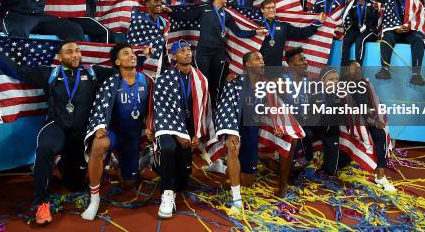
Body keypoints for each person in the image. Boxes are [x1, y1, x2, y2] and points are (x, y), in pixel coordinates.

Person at [0, 34, 113, 224]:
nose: (75, 55)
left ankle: (59, 161)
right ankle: (41, 202)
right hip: (56, 127)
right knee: (45, 149)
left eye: (77, 51)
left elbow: (120, 71)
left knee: (74, 185)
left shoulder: (93, 73)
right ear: (60, 57)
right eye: (69, 52)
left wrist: (142, 57)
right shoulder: (50, 74)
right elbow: (17, 71)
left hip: (80, 134)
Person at [216, 51, 301, 214]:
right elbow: (226, 108)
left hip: (254, 130)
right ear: (247, 64)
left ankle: (281, 182)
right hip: (235, 127)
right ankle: (236, 197)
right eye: (257, 59)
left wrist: (278, 125)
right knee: (233, 147)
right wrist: (232, 132)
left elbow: (274, 106)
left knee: (248, 181)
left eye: (262, 58)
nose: (262, 61)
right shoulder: (235, 82)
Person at [82, 43, 154, 220]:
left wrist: (150, 127)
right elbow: (100, 106)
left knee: (128, 184)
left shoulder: (147, 80)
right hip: (114, 132)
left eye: (132, 53)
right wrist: (99, 126)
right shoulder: (111, 82)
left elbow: (152, 109)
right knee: (98, 145)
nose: (132, 55)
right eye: (126, 53)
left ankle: (138, 160)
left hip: (133, 136)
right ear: (117, 61)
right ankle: (94, 200)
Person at [170, 0, 268, 109]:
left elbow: (239, 32)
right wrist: (171, 11)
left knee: (216, 84)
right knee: (203, 83)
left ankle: (215, 110)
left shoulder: (226, 14)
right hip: (203, 52)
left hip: (218, 53)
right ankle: (201, 110)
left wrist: (256, 32)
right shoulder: (204, 8)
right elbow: (185, 17)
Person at [154, 40, 217, 219]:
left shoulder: (201, 79)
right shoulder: (165, 78)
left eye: (189, 50)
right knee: (168, 148)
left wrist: (197, 133)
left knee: (182, 183)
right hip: (168, 126)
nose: (187, 53)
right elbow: (162, 108)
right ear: (174, 56)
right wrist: (178, 134)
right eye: (182, 51)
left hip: (188, 127)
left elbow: (204, 108)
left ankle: (174, 184)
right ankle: (166, 194)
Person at [343, 61, 396, 192]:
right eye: (354, 70)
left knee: (381, 134)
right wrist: (373, 122)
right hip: (354, 122)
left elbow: (375, 103)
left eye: (359, 69)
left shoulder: (366, 84)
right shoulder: (344, 88)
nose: (358, 71)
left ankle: (380, 175)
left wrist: (378, 118)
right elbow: (355, 112)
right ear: (347, 72)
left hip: (368, 119)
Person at [300, 66, 349, 178]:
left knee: (332, 170)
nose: (334, 82)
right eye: (330, 79)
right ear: (322, 80)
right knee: (305, 133)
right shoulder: (313, 93)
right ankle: (308, 159)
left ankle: (328, 168)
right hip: (314, 126)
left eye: (336, 79)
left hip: (330, 129)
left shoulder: (342, 96)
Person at [376, 0, 425, 86]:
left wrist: (410, 26)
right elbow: (387, 19)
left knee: (419, 40)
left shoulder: (415, 1)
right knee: (386, 38)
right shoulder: (389, 2)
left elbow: (419, 17)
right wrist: (395, 28)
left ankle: (416, 74)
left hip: (410, 31)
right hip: (395, 31)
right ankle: (385, 69)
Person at [257, 0, 325, 66]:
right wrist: (255, 31)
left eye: (273, 7)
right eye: (268, 8)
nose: (271, 10)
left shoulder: (283, 26)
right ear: (262, 10)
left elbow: (300, 33)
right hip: (258, 65)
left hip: (276, 66)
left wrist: (317, 23)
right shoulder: (256, 24)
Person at [340, 0, 380, 66]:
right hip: (356, 29)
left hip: (370, 30)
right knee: (346, 39)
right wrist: (347, 3)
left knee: (360, 40)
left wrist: (376, 11)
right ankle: (344, 67)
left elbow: (376, 22)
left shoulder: (373, 4)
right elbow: (345, 16)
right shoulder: (352, 4)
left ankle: (358, 67)